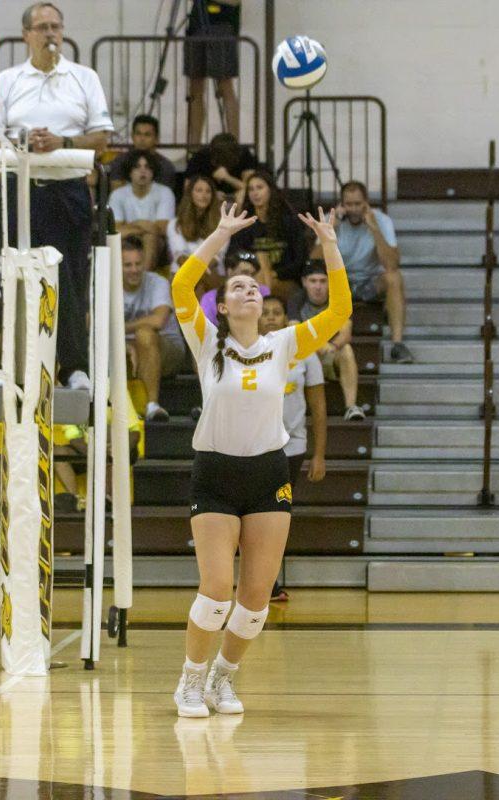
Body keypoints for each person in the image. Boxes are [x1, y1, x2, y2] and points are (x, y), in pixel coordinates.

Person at [169, 203, 350, 717]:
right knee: (216, 589)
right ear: (222, 308)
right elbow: (182, 289)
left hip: (268, 472)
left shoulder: (284, 343)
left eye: (253, 286)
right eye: (236, 288)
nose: (248, 290)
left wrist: (330, 246)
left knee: (255, 600)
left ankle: (224, 678)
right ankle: (190, 680)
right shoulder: (207, 343)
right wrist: (220, 236)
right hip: (216, 473)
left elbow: (338, 313)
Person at [0, 1, 114, 389]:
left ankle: (74, 369)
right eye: (41, 27)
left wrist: (63, 141)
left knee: (71, 278)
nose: (50, 34)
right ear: (26, 34)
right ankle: (8, 369)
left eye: (56, 26)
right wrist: (22, 141)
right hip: (16, 189)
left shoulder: (84, 77)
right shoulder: (7, 81)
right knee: (11, 276)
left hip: (67, 190)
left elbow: (103, 136)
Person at [260, 293, 326, 601]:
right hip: (255, 448)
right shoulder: (248, 353)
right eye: (266, 312)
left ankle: (269, 582)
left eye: (277, 312)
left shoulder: (305, 355)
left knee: (277, 512)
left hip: (291, 448)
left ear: (286, 319)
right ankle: (258, 580)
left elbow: (318, 406)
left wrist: (319, 454)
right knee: (259, 515)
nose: (271, 317)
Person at [337, 180, 412, 363]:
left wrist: (374, 229)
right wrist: (330, 230)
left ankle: (397, 345)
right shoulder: (333, 221)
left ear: (365, 203)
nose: (353, 209)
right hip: (340, 283)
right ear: (342, 205)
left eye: (357, 204)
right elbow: (314, 262)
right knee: (317, 280)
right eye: (349, 204)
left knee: (394, 278)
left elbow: (392, 264)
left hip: (370, 281)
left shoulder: (381, 220)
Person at [120, 237, 187, 422]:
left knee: (145, 335)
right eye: (127, 265)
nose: (134, 270)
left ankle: (152, 405)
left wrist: (122, 331)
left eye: (138, 264)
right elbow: (91, 323)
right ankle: (118, 409)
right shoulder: (107, 285)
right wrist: (126, 345)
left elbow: (158, 320)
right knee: (117, 347)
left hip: (168, 349)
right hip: (126, 350)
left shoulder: (157, 282)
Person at [289, 264, 364, 421]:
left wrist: (333, 346)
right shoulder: (296, 299)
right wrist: (318, 345)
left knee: (347, 350)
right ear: (304, 282)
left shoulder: (339, 299)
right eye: (313, 281)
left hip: (330, 353)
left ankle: (351, 406)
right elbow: (294, 330)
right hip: (306, 354)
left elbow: (346, 333)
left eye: (323, 281)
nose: (318, 286)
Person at [231, 170, 309, 298]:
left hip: (285, 280)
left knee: (264, 278)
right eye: (251, 189)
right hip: (252, 278)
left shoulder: (289, 222)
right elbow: (234, 253)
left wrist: (274, 274)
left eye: (260, 188)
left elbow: (300, 260)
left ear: (270, 190)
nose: (255, 193)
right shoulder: (244, 224)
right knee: (259, 268)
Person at [184, 0, 241, 146]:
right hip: (196, 26)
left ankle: (233, 143)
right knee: (195, 89)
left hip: (222, 26)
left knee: (225, 86)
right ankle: (194, 145)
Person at [109, 152, 177, 269]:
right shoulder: (117, 194)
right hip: (127, 239)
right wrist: (144, 227)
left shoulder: (165, 192)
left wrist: (130, 226)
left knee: (149, 238)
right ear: (130, 172)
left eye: (147, 167)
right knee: (117, 240)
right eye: (137, 167)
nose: (142, 171)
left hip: (157, 244)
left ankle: (144, 280)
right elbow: (116, 230)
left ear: (153, 172)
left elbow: (162, 228)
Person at [168, 175, 225, 277]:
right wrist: (195, 272)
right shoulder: (175, 224)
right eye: (199, 190)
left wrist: (199, 271)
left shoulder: (223, 224)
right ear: (190, 194)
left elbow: (217, 257)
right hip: (183, 272)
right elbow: (179, 256)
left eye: (208, 191)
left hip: (212, 273)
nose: (204, 195)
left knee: (204, 277)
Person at [201, 250, 270, 324]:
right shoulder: (210, 297)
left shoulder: (263, 291)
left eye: (253, 274)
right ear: (229, 271)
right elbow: (207, 328)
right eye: (245, 272)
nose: (250, 278)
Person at [109, 115, 177, 189]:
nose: (142, 139)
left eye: (147, 135)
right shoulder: (120, 161)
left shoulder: (165, 166)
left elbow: (162, 196)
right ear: (132, 136)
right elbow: (117, 193)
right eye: (138, 134)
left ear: (156, 139)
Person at [184, 132, 259, 198]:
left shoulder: (244, 155)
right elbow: (188, 188)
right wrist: (211, 193)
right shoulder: (201, 156)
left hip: (236, 197)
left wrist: (227, 177)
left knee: (241, 195)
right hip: (209, 198)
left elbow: (250, 188)